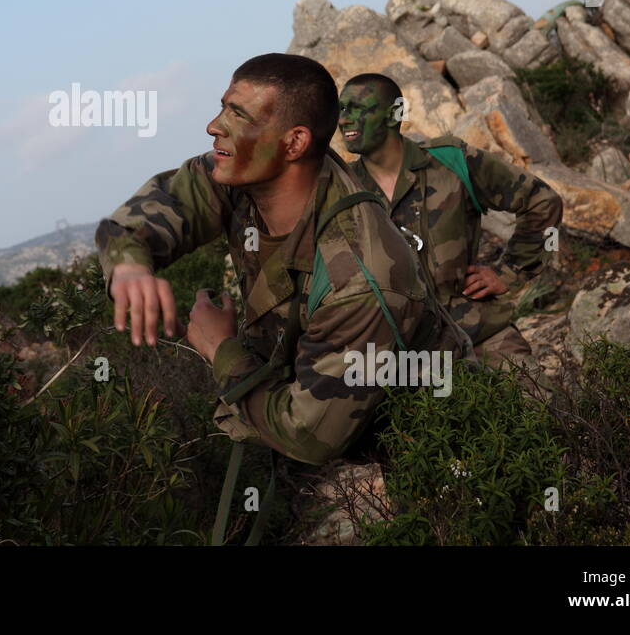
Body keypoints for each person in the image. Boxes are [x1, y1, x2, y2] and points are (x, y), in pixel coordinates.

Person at [95, 53, 452, 473]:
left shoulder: (358, 273)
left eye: (238, 114)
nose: (214, 126)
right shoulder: (243, 172)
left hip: (437, 438)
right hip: (344, 417)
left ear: (294, 143)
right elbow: (154, 211)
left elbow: (309, 435)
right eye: (224, 106)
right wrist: (130, 265)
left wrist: (220, 348)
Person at [336, 72, 563, 371]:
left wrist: (510, 273)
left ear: (394, 114)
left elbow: (545, 201)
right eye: (342, 109)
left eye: (359, 108)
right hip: (402, 357)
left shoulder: (450, 162)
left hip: (481, 336)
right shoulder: (344, 190)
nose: (344, 119)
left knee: (540, 407)